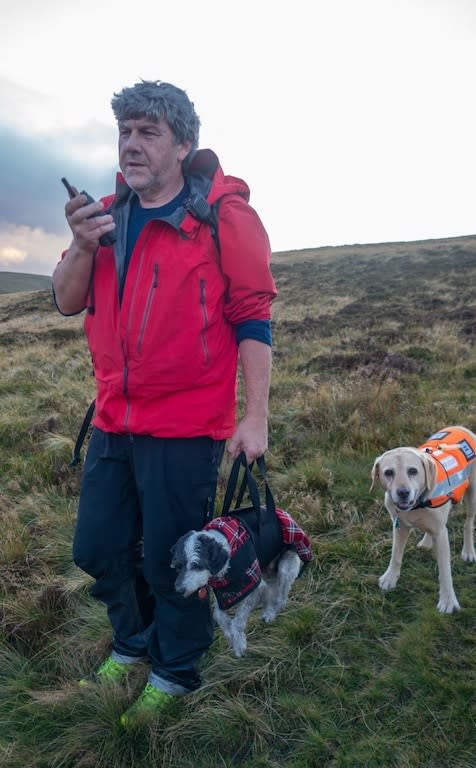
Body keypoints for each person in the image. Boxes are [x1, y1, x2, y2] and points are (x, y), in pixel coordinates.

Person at [52, 80, 277, 727]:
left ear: (183, 143)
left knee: (168, 561)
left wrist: (254, 416)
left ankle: (175, 671)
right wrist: (85, 245)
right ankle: (131, 643)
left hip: (186, 429)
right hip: (114, 420)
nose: (131, 143)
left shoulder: (222, 217)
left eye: (148, 131)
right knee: (96, 549)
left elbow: (253, 319)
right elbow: (67, 300)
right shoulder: (103, 216)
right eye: (124, 131)